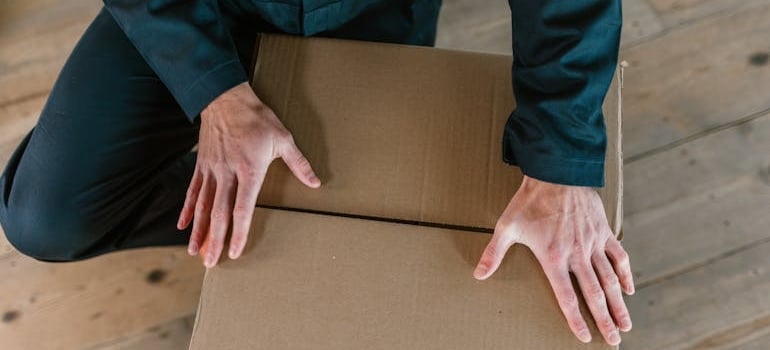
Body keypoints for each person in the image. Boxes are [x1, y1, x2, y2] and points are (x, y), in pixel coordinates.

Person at [0, 0, 633, 346]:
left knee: (369, 238)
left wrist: (561, 164)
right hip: (194, 11)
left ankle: (276, 217)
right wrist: (214, 91)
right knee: (46, 220)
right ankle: (243, 207)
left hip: (371, 12)